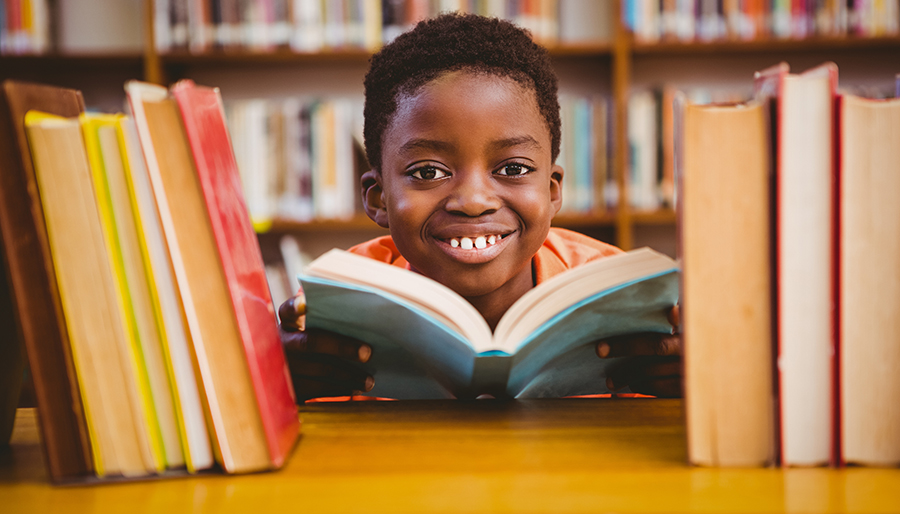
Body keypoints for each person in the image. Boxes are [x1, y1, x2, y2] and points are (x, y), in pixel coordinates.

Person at [279, 12, 681, 403]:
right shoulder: (341, 303)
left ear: (553, 191)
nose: (473, 202)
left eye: (513, 168)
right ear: (378, 199)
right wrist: (275, 382)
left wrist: (691, 381)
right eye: (427, 172)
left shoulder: (616, 296)